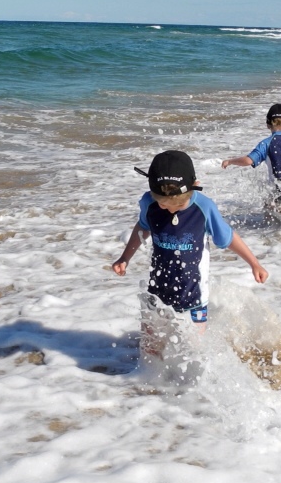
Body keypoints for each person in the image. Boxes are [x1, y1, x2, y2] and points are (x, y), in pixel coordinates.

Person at [112, 150, 268, 380]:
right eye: (163, 204)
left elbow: (228, 238)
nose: (169, 209)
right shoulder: (149, 203)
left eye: (177, 205)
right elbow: (141, 228)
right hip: (157, 293)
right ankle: (146, 386)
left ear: (195, 186)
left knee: (193, 353)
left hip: (193, 299)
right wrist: (125, 257)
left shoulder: (204, 208)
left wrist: (254, 263)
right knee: (149, 350)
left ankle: (192, 397)